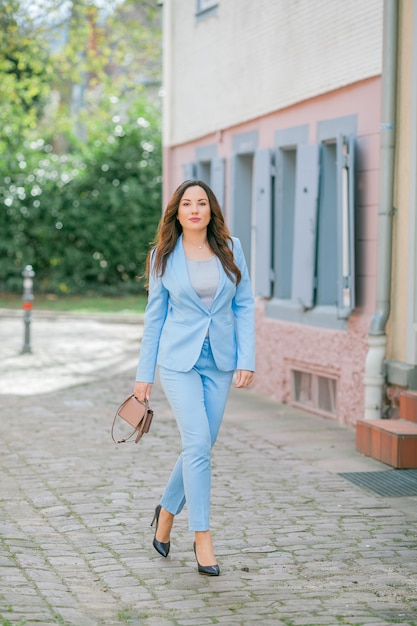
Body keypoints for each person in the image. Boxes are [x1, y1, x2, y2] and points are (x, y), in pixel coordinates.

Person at [134, 179, 255, 576]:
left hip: (219, 360)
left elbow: (244, 305)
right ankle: (202, 535)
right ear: (177, 212)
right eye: (187, 203)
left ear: (210, 210)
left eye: (202, 203)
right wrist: (143, 375)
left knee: (199, 447)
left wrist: (246, 358)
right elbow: (154, 319)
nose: (195, 210)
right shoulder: (163, 256)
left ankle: (166, 512)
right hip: (177, 362)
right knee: (198, 443)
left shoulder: (231, 248)